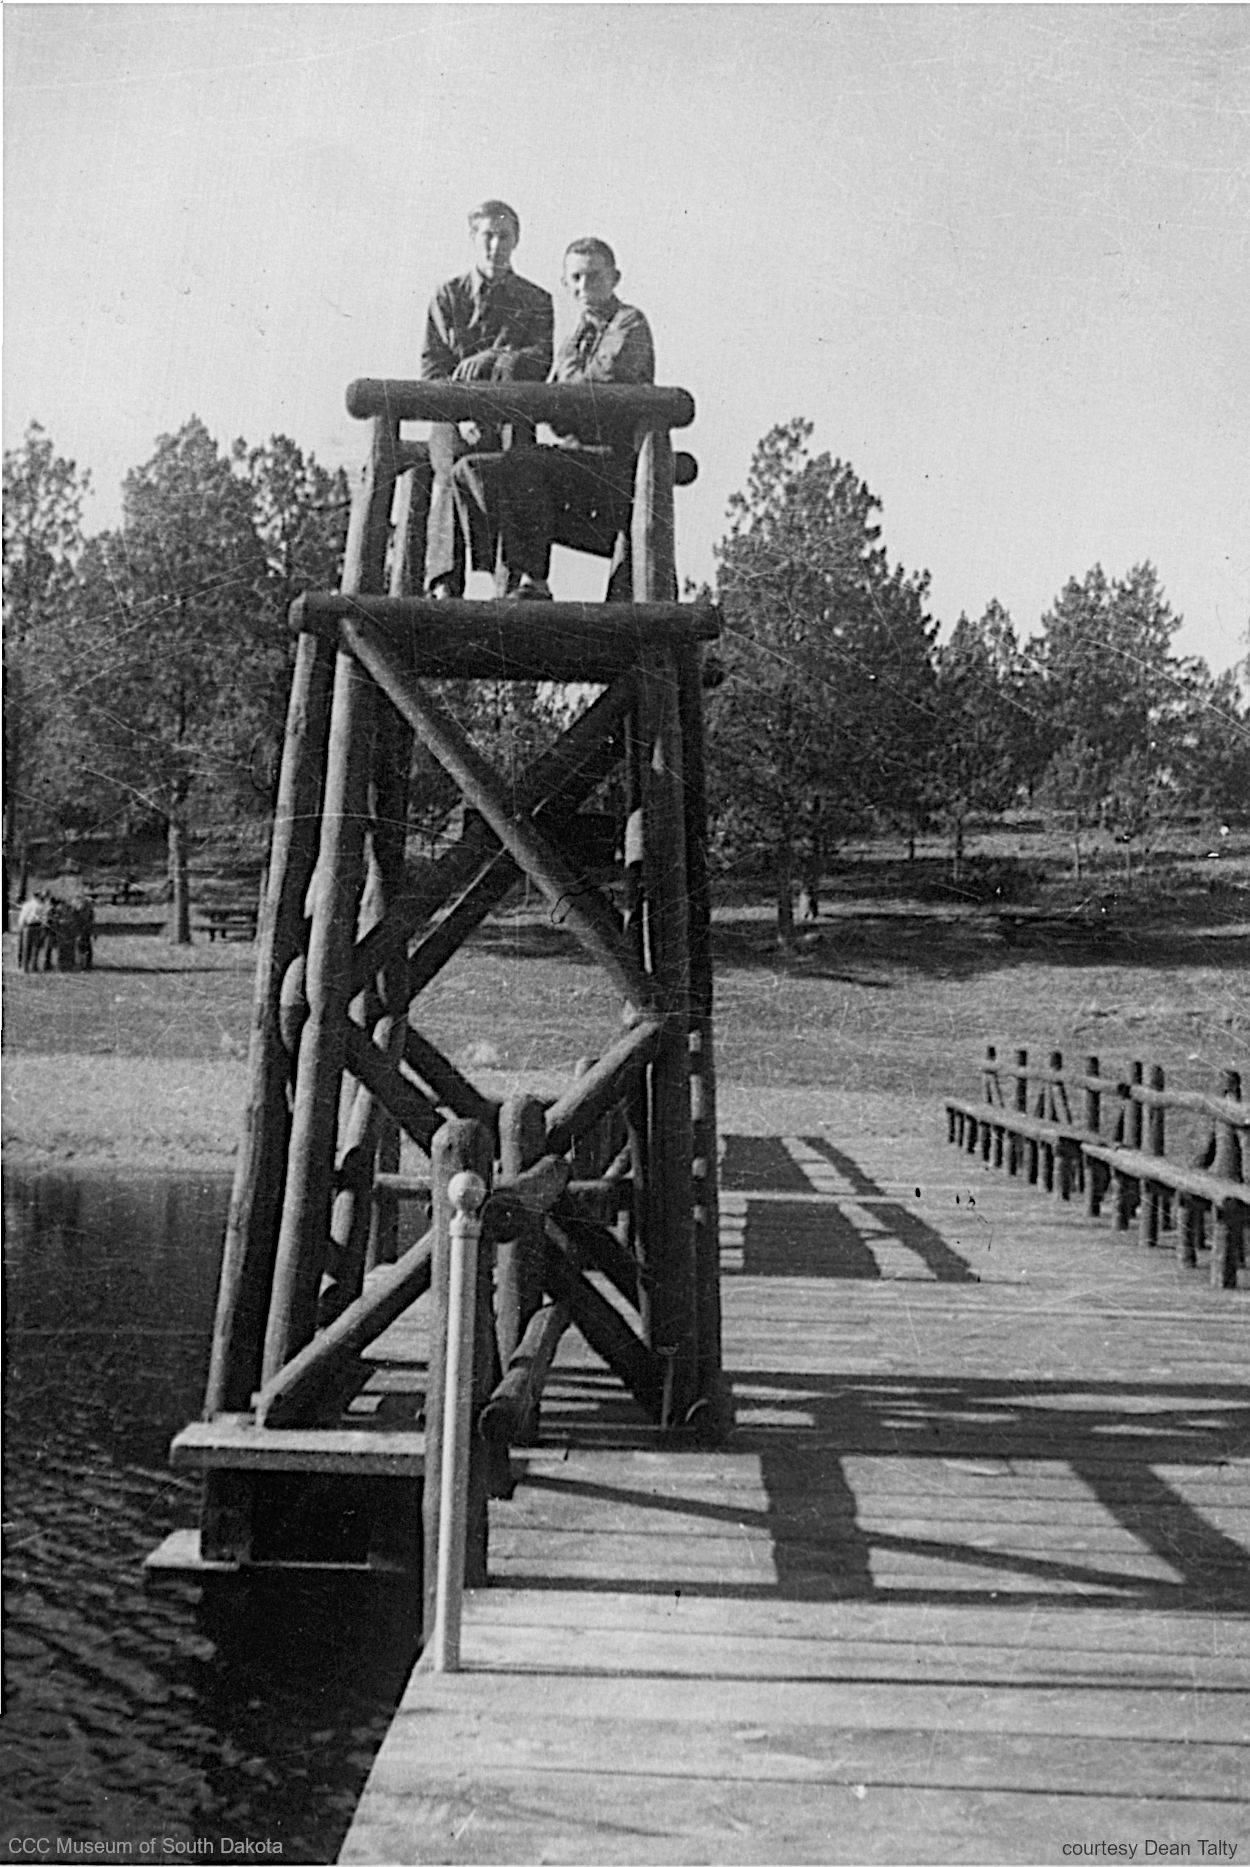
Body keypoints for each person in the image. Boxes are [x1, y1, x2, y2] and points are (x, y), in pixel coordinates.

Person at [451, 238, 655, 599]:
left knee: (524, 462)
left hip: (615, 469)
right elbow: (561, 411)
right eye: (575, 278)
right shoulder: (575, 335)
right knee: (471, 469)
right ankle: (502, 576)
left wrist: (566, 397)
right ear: (564, 283)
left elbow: (595, 389)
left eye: (593, 277)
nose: (583, 287)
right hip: (576, 464)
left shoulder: (629, 323)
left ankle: (534, 580)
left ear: (615, 278)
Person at [420, 200, 554, 598]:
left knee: (523, 469)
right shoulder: (448, 297)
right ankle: (444, 580)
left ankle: (526, 577)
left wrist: (495, 358)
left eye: (505, 237)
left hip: (513, 415)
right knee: (450, 469)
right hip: (456, 418)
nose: (496, 246)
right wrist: (461, 417)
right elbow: (433, 371)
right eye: (488, 236)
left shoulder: (536, 300)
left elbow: (540, 361)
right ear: (473, 239)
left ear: (517, 240)